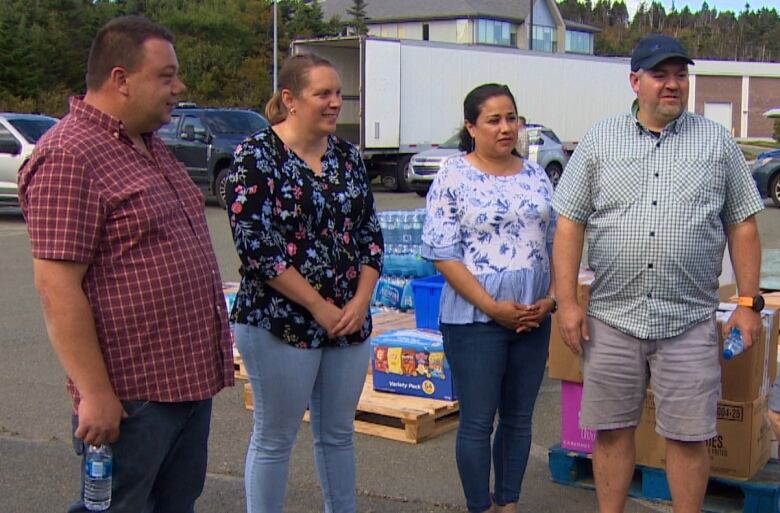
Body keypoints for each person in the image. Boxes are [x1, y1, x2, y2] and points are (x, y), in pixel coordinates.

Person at [17, 15, 234, 513]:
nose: (179, 88)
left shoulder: (149, 146)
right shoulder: (70, 156)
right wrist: (94, 394)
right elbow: (56, 288)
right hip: (132, 397)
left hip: (186, 384)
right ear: (120, 79)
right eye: (166, 76)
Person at [552, 33, 764, 513]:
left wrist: (748, 305)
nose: (673, 85)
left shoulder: (716, 143)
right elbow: (569, 224)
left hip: (687, 321)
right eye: (660, 75)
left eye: (680, 75)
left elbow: (744, 226)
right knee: (610, 432)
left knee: (690, 439)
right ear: (635, 81)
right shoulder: (599, 141)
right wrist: (567, 303)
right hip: (611, 318)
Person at [225, 54, 383, 513]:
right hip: (279, 321)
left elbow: (370, 236)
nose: (335, 102)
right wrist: (318, 306)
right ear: (290, 100)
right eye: (324, 94)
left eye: (338, 93)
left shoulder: (347, 156)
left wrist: (359, 301)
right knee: (275, 437)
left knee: (337, 435)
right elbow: (257, 248)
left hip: (348, 319)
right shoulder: (256, 156)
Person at [421, 83, 557, 513]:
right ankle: (479, 506)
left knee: (518, 420)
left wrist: (552, 299)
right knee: (478, 422)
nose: (505, 128)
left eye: (511, 118)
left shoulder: (537, 175)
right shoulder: (453, 175)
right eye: (494, 120)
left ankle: (508, 503)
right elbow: (443, 253)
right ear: (470, 127)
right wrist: (493, 307)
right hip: (475, 320)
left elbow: (558, 243)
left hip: (533, 318)